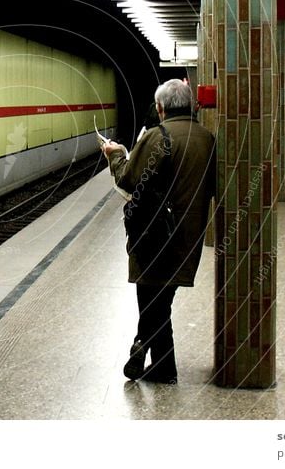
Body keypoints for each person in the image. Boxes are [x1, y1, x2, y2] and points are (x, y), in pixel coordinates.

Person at [102, 79, 215, 384]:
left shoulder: (157, 136)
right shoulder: (208, 139)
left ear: (161, 108)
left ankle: (146, 349)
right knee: (161, 300)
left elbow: (128, 179)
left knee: (152, 298)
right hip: (188, 237)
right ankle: (163, 366)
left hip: (154, 236)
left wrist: (115, 154)